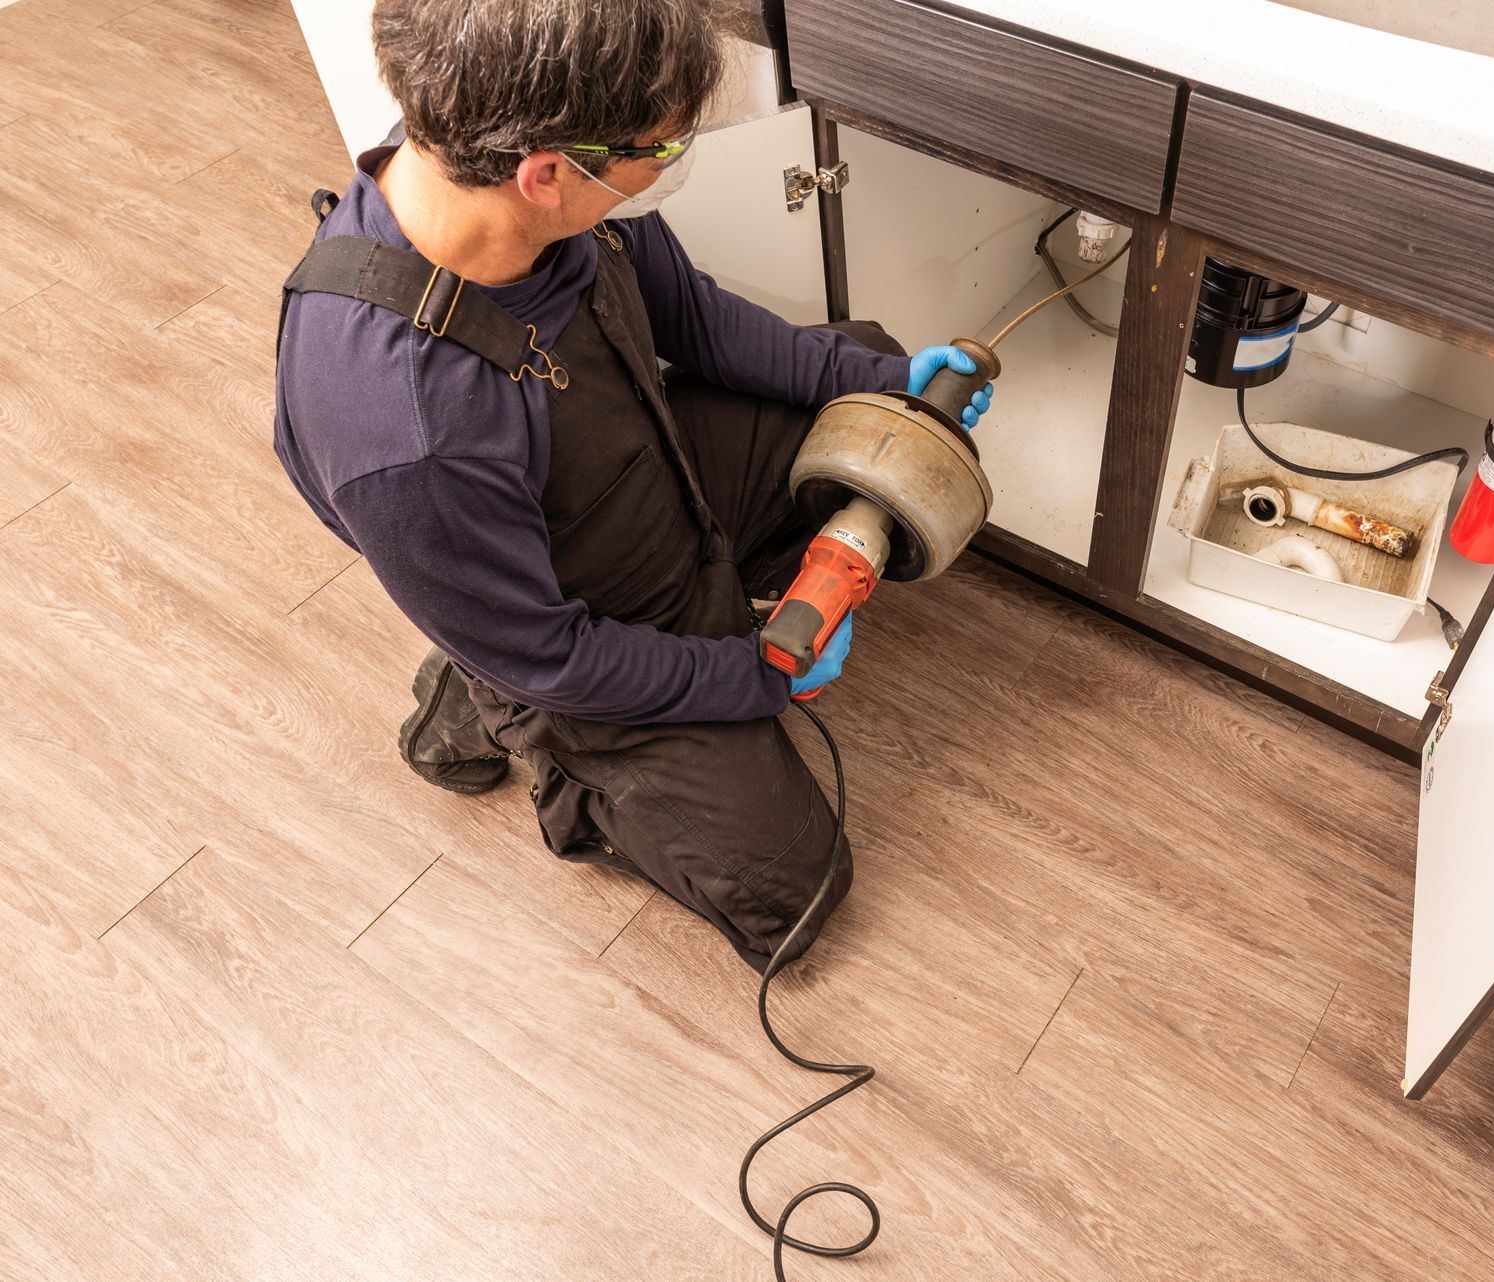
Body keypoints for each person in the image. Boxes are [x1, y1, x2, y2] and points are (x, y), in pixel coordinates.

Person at [271, 0, 993, 972]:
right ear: (545, 174)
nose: (669, 160)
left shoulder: (501, 149)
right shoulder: (407, 432)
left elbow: (689, 319)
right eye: (663, 146)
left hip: (622, 480)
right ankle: (527, 737)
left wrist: (876, 386)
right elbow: (560, 655)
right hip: (567, 634)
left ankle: (479, 625)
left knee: (867, 390)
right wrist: (753, 675)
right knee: (795, 887)